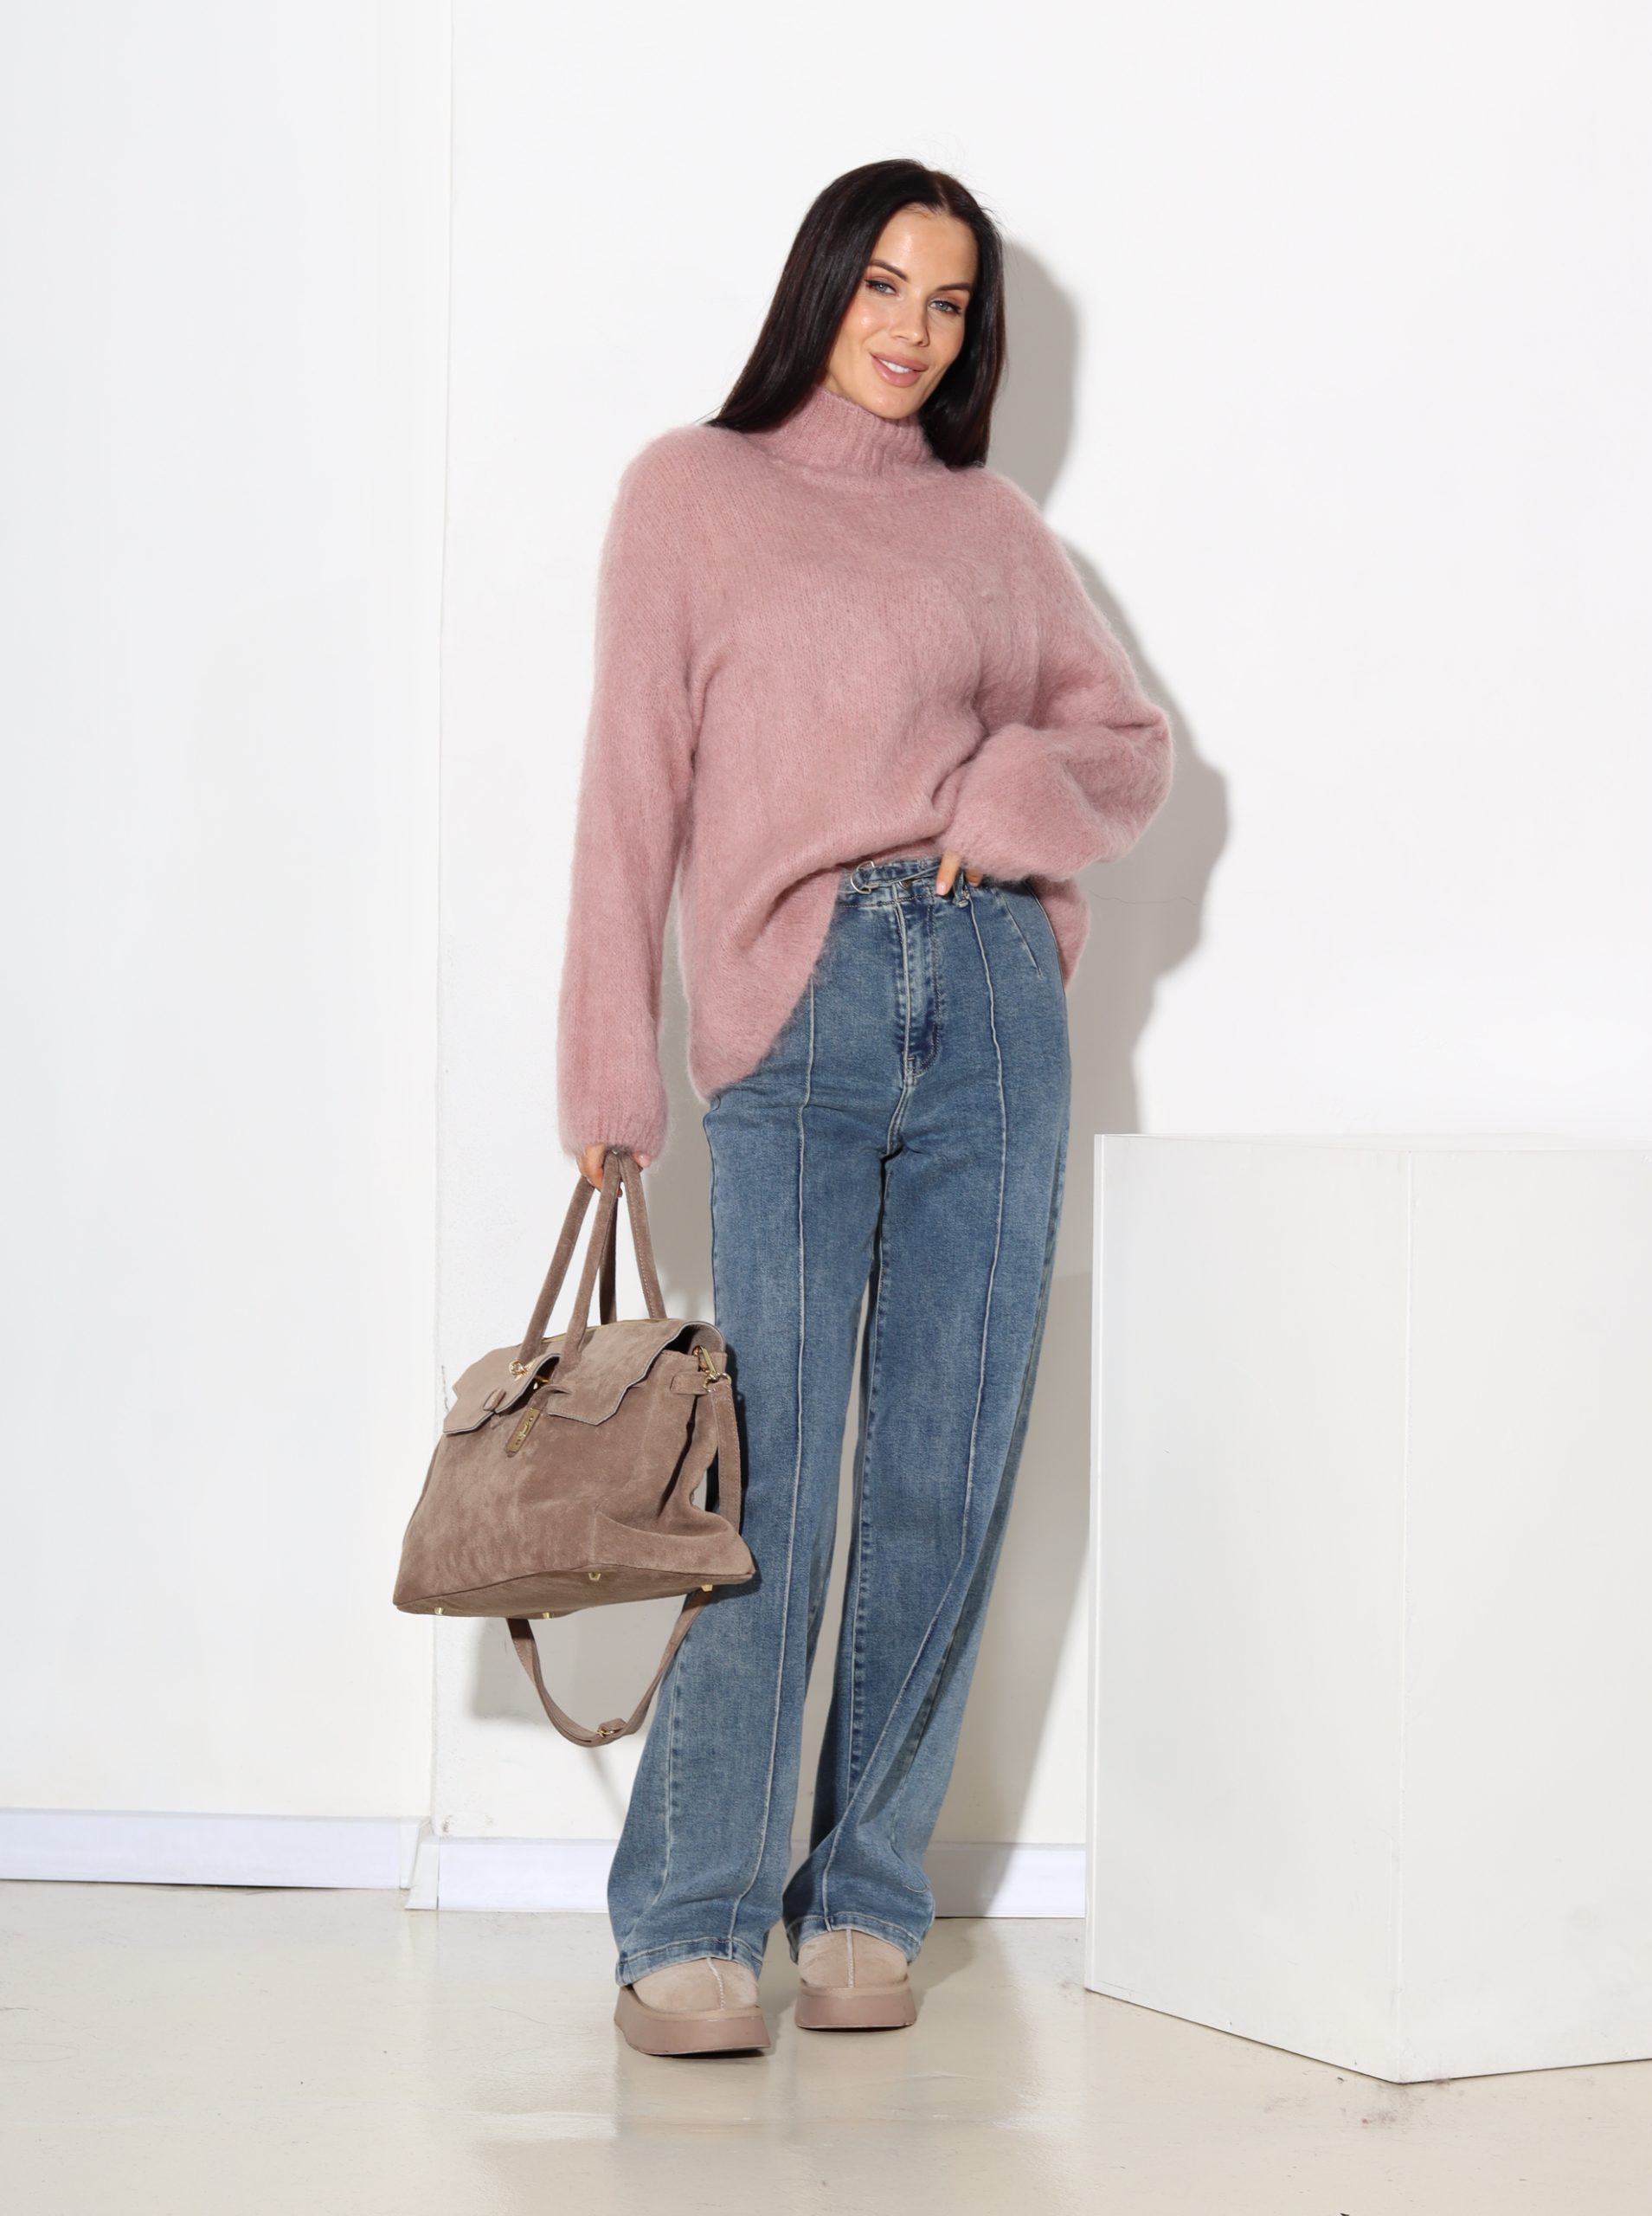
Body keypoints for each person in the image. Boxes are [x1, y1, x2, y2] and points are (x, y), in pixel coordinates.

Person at [555, 158, 1173, 2057]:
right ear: (821, 284)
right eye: (884, 284)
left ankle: (866, 1893)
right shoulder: (690, 492)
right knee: (769, 1482)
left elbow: (1125, 742)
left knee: (943, 1473)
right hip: (794, 1012)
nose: (910, 329)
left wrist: (1008, 800)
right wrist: (609, 1069)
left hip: (989, 1001)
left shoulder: (991, 529)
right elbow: (629, 790)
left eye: (948, 302)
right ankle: (692, 1911)